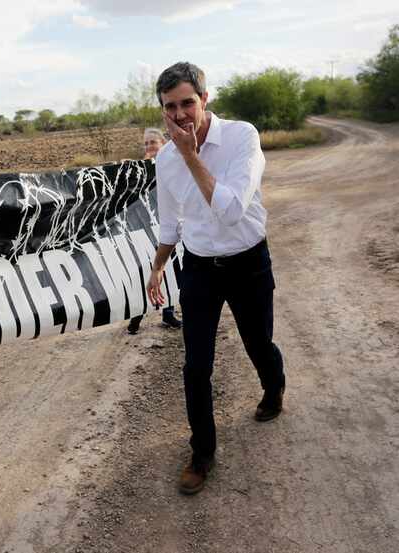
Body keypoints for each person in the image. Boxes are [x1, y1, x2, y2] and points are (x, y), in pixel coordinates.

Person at [145, 63, 286, 495]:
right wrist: (158, 264)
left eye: (188, 102)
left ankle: (274, 387)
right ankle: (202, 452)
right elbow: (170, 222)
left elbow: (229, 210)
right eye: (171, 107)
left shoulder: (242, 137)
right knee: (195, 365)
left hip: (248, 261)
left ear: (205, 99)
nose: (181, 115)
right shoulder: (165, 160)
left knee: (257, 341)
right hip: (201, 268)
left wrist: (191, 156)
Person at [127, 127, 183, 335]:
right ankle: (136, 316)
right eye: (146, 143)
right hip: (144, 229)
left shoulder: (172, 164)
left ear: (163, 144)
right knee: (144, 271)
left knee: (171, 271)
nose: (149, 146)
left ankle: (168, 314)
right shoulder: (137, 170)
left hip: (168, 227)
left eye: (153, 142)